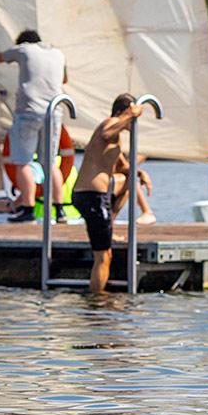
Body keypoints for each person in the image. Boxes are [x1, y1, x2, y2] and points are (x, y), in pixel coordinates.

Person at [71, 94, 143, 293]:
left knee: (128, 181)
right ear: (123, 111)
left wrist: (140, 173)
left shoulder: (115, 140)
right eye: (132, 116)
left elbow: (123, 166)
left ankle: (98, 295)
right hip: (92, 196)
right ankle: (97, 300)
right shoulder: (110, 124)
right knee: (103, 256)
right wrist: (131, 115)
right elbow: (106, 131)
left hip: (95, 196)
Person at [0, 29, 68, 223]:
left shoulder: (24, 50)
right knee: (50, 162)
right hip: (54, 111)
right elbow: (65, 80)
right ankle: (59, 211)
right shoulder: (57, 53)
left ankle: (27, 209)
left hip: (29, 111)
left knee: (23, 161)